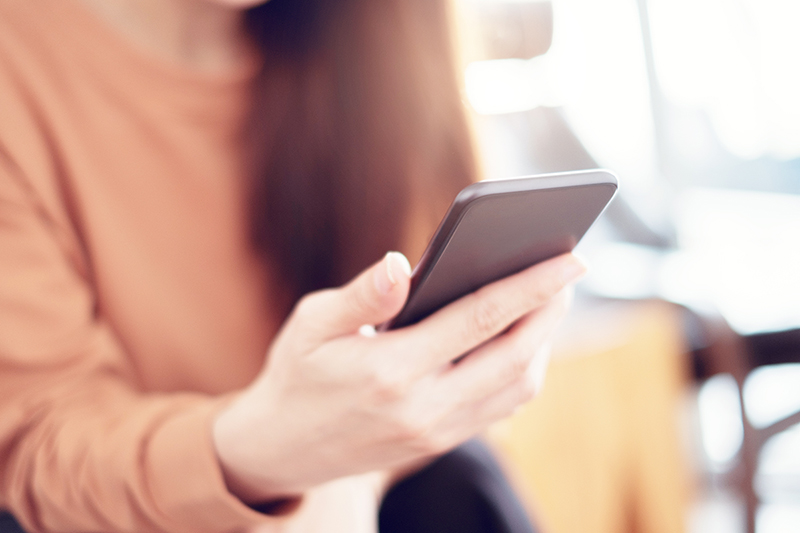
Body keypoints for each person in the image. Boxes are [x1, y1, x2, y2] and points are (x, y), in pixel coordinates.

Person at [0, 0, 585, 531]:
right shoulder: (20, 62)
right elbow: (34, 449)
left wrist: (351, 472)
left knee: (459, 488)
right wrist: (265, 453)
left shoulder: (379, 37)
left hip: (363, 489)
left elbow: (412, 347)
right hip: (121, 505)